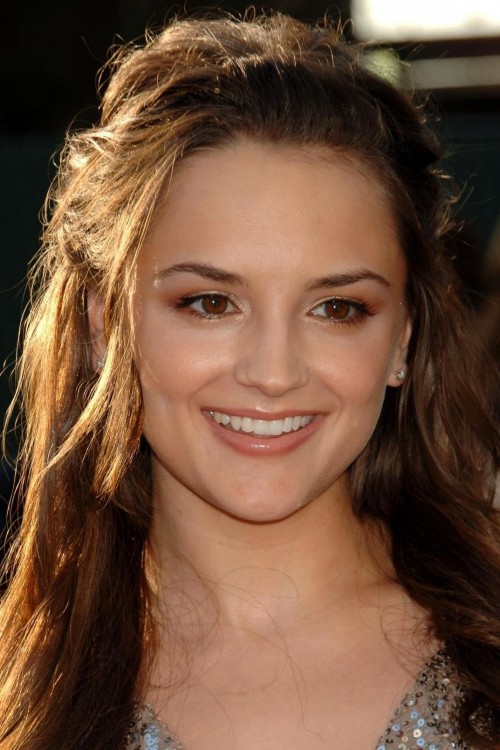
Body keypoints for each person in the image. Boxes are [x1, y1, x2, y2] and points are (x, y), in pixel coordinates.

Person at [0, 12, 499, 750]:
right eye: (210, 303)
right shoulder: (23, 695)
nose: (273, 374)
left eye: (337, 308)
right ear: (106, 327)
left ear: (402, 338)